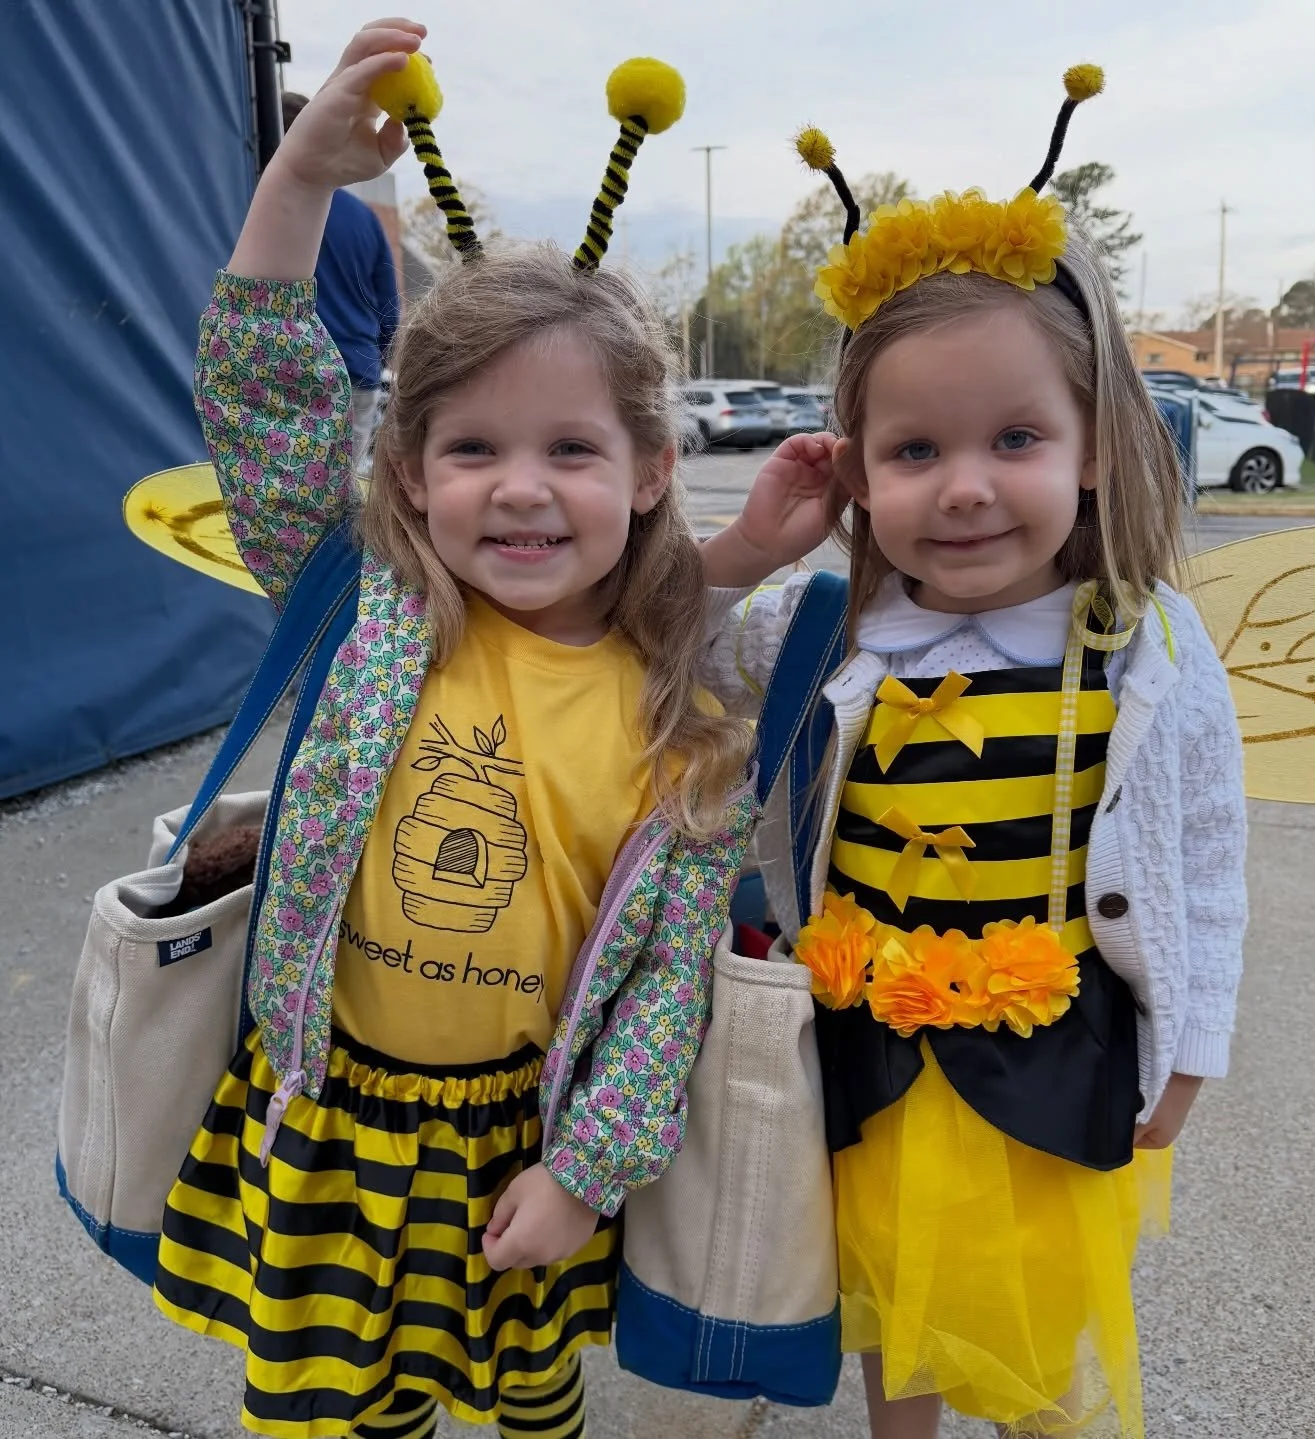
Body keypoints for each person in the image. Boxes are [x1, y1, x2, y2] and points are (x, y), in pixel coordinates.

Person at [151, 22, 773, 1439]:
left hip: (522, 1138)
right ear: (411, 475)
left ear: (653, 469)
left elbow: (672, 982)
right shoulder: (364, 614)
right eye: (473, 448)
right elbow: (260, 393)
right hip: (329, 1117)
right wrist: (299, 178)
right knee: (340, 1410)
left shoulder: (684, 704)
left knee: (525, 1402)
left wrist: (589, 1175)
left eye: (571, 449)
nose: (520, 489)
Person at [698, 73, 1247, 1439]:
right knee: (900, 1303)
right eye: (915, 448)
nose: (964, 485)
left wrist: (1193, 1042)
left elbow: (1204, 848)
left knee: (1036, 1322)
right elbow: (664, 659)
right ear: (858, 471)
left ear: (1092, 450)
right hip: (869, 1050)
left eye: (1016, 438)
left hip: (1057, 1048)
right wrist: (744, 552)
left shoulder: (1140, 641)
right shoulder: (822, 627)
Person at [281, 90, 398, 467]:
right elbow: (389, 308)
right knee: (342, 497)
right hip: (358, 371)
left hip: (291, 372)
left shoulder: (265, 211)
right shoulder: (364, 218)